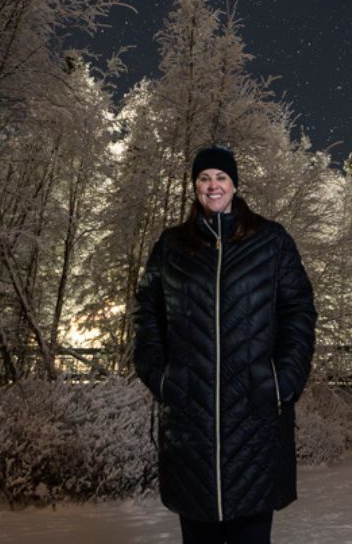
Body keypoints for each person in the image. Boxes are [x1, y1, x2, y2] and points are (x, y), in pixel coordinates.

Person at [133, 144, 317, 544]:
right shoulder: (172, 246)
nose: (212, 186)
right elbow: (147, 313)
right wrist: (162, 378)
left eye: (220, 177)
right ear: (194, 186)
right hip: (190, 422)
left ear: (234, 184)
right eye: (203, 178)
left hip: (255, 418)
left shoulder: (271, 241)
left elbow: (299, 312)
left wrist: (284, 380)